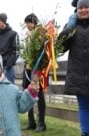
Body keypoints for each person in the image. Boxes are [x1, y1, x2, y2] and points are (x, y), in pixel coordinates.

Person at [58, 0, 89, 135]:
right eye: (80, 8)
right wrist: (69, 27)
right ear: (76, 10)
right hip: (78, 74)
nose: (83, 10)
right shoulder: (71, 27)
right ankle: (85, 132)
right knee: (83, 106)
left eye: (86, 7)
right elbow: (60, 47)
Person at [22, 13, 47, 132]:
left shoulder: (41, 34)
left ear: (35, 23)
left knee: (39, 94)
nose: (28, 25)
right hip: (27, 67)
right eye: (27, 23)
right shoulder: (27, 35)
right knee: (27, 92)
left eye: (30, 22)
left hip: (38, 69)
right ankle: (31, 120)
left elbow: (44, 52)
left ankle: (41, 123)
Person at [0, 13, 20, 84]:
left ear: (3, 21)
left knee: (9, 90)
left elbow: (16, 51)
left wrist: (8, 64)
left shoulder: (13, 34)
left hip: (7, 68)